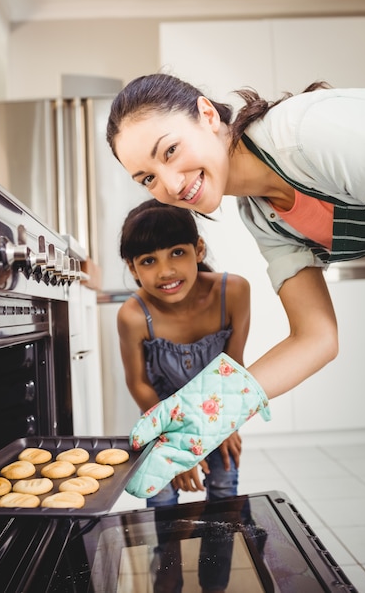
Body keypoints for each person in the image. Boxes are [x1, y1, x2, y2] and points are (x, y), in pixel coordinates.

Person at [107, 73, 365, 401]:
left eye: (170, 150)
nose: (171, 186)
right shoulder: (262, 217)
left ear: (207, 115)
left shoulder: (304, 131)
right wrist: (210, 411)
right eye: (148, 178)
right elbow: (316, 337)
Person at [118, 199, 250, 592]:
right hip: (162, 424)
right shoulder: (132, 314)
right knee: (161, 503)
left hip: (219, 416)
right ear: (132, 268)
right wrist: (174, 446)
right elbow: (139, 384)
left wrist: (223, 425)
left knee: (224, 491)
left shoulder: (234, 292)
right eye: (148, 261)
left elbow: (234, 368)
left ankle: (215, 582)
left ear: (199, 250)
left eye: (177, 253)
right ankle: (168, 573)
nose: (166, 271)